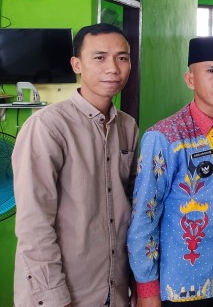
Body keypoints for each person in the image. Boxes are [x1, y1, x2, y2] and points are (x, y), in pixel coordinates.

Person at [12, 24, 137, 307]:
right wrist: (55, 298)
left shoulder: (128, 126)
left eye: (122, 58)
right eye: (99, 57)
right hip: (63, 292)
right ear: (76, 64)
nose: (113, 68)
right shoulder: (48, 126)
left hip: (113, 289)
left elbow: (130, 206)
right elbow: (34, 223)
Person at [128, 37, 213, 306]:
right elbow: (144, 217)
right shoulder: (165, 137)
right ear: (190, 79)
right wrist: (147, 290)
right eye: (212, 71)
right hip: (182, 285)